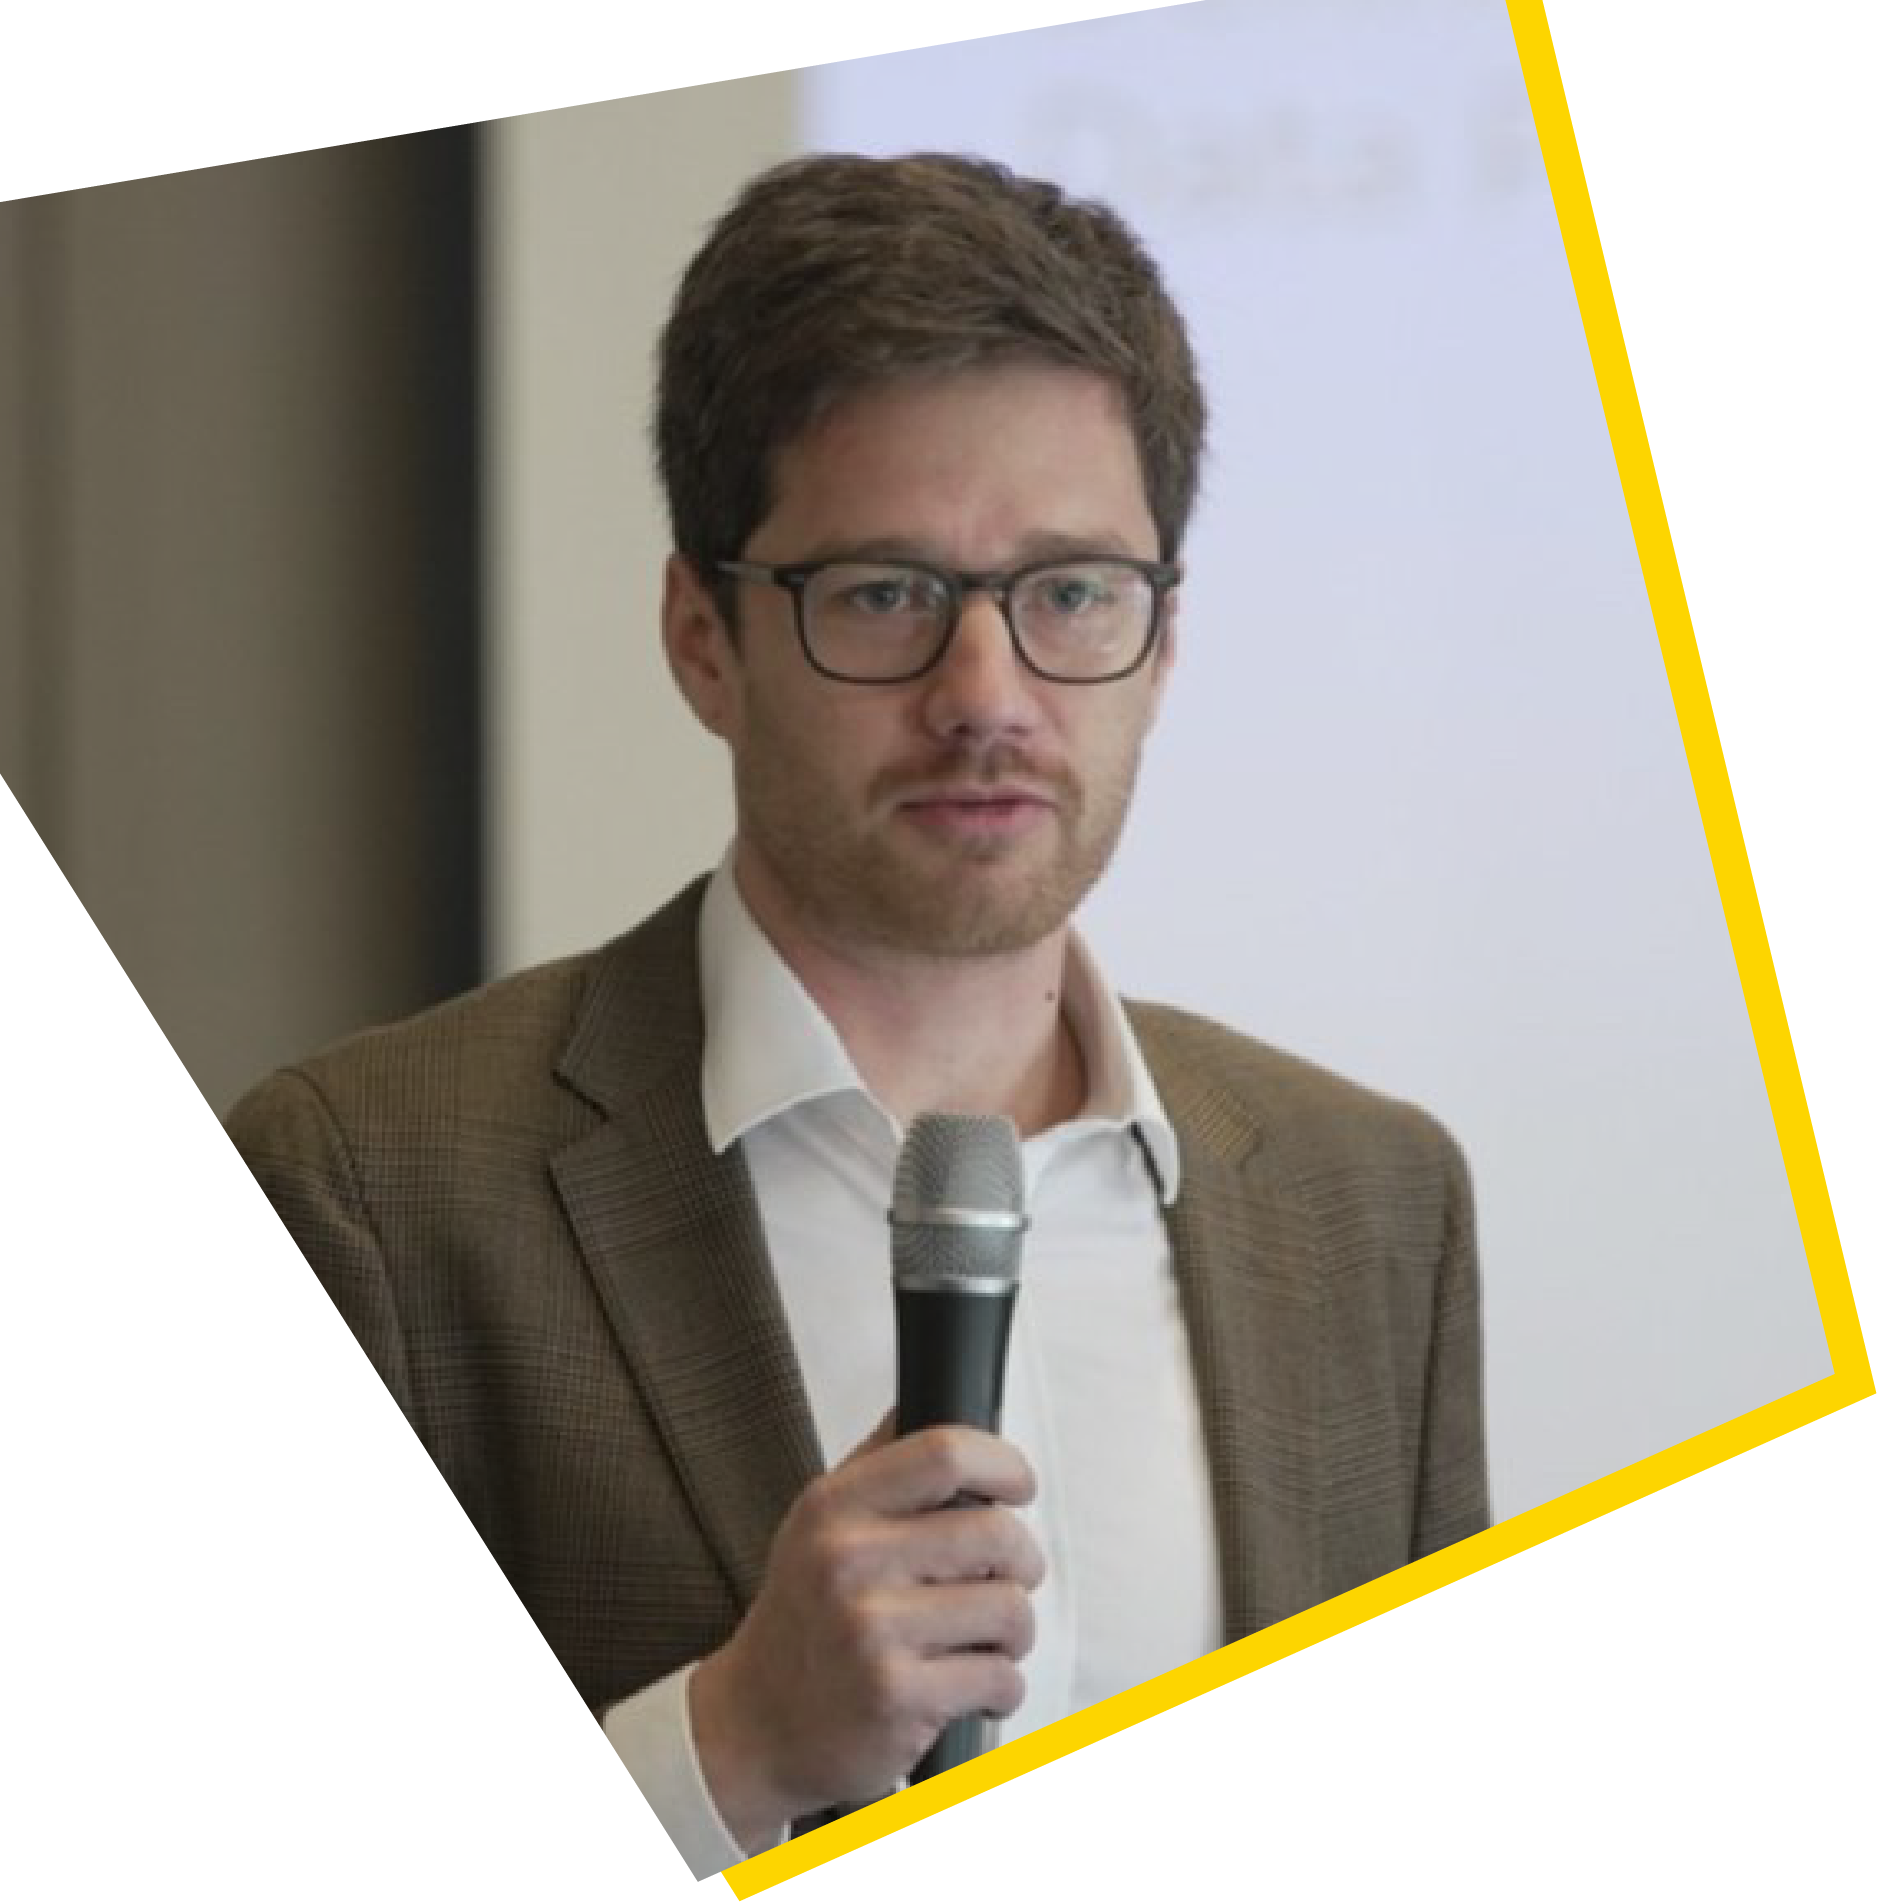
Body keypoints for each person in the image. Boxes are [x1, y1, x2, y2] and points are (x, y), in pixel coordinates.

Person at [227, 151, 1488, 1877]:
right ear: (702, 638)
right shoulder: (374, 1191)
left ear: (1162, 638)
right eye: (885, 593)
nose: (986, 696)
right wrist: (727, 1745)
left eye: (1069, 592)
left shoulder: (1369, 1201)